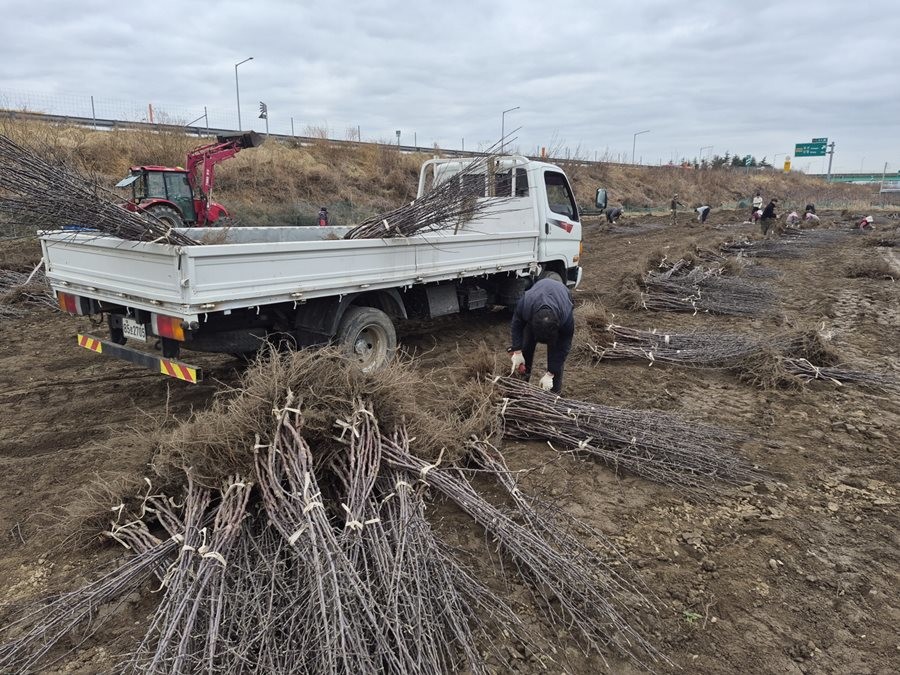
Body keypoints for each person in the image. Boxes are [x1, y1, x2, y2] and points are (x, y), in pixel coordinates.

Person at [508, 278, 574, 395]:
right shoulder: (525, 305)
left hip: (561, 297)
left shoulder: (566, 318)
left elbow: (563, 347)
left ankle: (554, 393)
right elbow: (516, 325)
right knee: (526, 347)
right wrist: (517, 350)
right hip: (536, 302)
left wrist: (551, 373)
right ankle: (521, 386)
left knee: (556, 352)